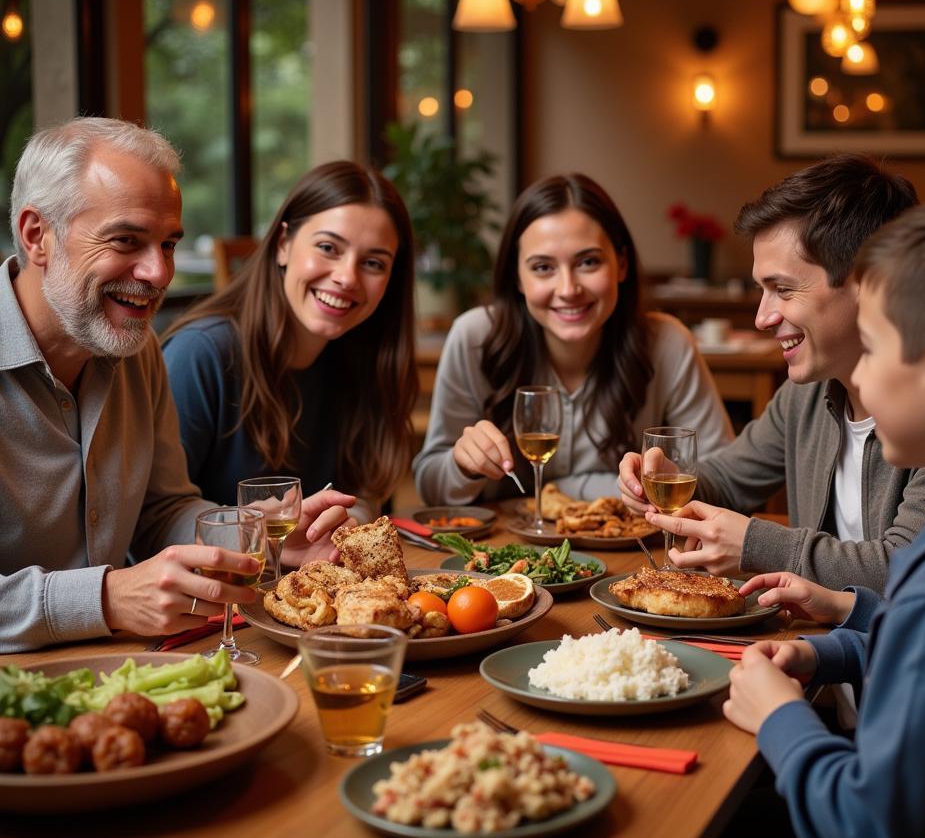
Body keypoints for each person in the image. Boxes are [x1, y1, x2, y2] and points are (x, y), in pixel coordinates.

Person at [723, 193, 925, 838]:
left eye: (875, 347)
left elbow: (872, 837)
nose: (856, 375)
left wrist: (779, 719)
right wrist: (840, 637)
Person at [0, 118, 353, 654]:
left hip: (123, 670)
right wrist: (107, 598)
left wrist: (257, 532)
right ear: (36, 235)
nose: (159, 272)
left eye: (168, 245)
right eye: (127, 240)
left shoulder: (135, 350)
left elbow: (161, 511)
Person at [619, 154, 925, 591]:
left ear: (869, 282)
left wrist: (756, 545)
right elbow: (726, 483)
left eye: (783, 290)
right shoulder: (807, 395)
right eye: (761, 291)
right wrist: (663, 477)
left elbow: (911, 570)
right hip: (819, 644)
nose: (762, 317)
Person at [413, 172, 733, 506]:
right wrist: (463, 466)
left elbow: (724, 478)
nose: (568, 289)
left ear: (621, 264)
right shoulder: (474, 337)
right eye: (542, 268)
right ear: (517, 278)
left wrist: (566, 488)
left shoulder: (668, 343)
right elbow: (431, 488)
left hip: (630, 556)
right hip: (501, 556)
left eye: (588, 262)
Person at [162, 161, 418, 525]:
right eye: (329, 247)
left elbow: (368, 490)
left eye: (374, 263)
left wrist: (354, 515)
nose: (347, 277)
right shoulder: (201, 353)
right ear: (283, 244)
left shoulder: (366, 357)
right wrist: (258, 529)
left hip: (313, 579)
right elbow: (150, 518)